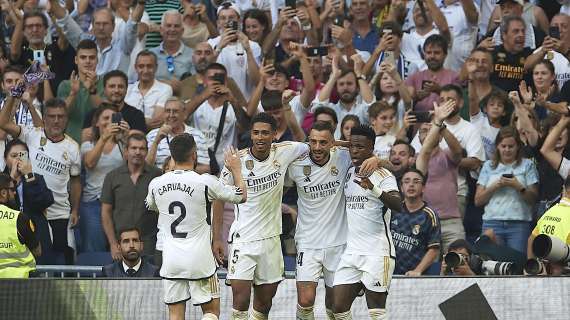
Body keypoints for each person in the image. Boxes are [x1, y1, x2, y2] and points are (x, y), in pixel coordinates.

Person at [217, 113, 309, 320]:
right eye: (256, 132)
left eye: (265, 133)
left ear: (274, 135)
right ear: (251, 134)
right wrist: (216, 238)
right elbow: (217, 198)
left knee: (264, 303)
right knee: (240, 302)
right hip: (243, 240)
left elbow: (317, 145)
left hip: (271, 241)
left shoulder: (285, 151)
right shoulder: (235, 161)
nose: (260, 137)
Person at [146, 133, 247, 320]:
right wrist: (237, 170)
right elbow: (241, 196)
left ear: (172, 155)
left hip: (171, 259)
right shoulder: (205, 181)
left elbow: (152, 206)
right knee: (211, 312)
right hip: (200, 260)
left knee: (175, 315)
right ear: (194, 155)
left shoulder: (156, 184)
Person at [286, 121, 379, 319]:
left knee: (337, 304)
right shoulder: (296, 165)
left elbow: (364, 151)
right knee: (305, 300)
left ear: (332, 143)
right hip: (307, 243)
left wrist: (376, 159)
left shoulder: (343, 157)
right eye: (313, 142)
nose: (317, 147)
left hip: (339, 244)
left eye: (323, 142)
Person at [332, 124, 401, 320]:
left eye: (360, 147)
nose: (354, 151)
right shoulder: (349, 170)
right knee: (338, 308)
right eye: (352, 146)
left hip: (377, 253)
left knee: (376, 312)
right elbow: (335, 144)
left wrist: (373, 188)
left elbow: (398, 204)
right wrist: (350, 143)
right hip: (352, 252)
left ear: (372, 148)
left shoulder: (383, 175)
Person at [0, 96, 81, 265]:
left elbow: (75, 181)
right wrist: (14, 96)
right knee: (36, 260)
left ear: (66, 119)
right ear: (44, 118)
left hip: (59, 213)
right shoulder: (31, 134)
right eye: (52, 116)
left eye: (60, 116)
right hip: (34, 212)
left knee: (64, 262)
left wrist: (75, 210)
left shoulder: (73, 147)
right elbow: (3, 123)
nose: (56, 121)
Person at [475, 127, 539, 254]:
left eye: (511, 146)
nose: (507, 150)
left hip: (519, 224)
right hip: (492, 222)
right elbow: (478, 200)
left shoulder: (528, 165)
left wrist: (518, 186)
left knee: (517, 265)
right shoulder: (488, 166)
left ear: (518, 147)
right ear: (497, 146)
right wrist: (495, 186)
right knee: (491, 265)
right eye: (503, 146)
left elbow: (534, 199)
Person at [101, 133, 162, 260]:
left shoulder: (157, 176)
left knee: (148, 279)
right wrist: (113, 244)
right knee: (120, 280)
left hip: (149, 243)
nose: (138, 152)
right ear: (126, 151)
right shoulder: (112, 177)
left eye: (142, 148)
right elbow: (105, 213)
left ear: (146, 152)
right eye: (134, 148)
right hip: (120, 242)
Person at [415, 101, 465, 252]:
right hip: (425, 221)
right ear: (418, 138)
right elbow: (425, 152)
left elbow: (458, 152)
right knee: (428, 270)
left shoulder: (447, 155)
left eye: (432, 130)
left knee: (459, 263)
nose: (430, 132)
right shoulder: (415, 159)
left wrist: (441, 126)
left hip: (451, 221)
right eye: (424, 130)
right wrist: (436, 123)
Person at [49, 0, 145, 75]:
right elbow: (65, 21)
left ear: (113, 26)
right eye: (98, 24)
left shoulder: (123, 46)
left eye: (105, 24)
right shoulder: (84, 43)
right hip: (90, 96)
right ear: (93, 26)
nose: (101, 27)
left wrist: (141, 3)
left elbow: (132, 24)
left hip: (116, 95)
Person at [81, 104, 128, 252]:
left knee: (121, 248)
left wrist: (126, 138)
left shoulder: (122, 145)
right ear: (97, 122)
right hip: (93, 202)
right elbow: (89, 163)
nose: (109, 121)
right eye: (105, 118)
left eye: (113, 118)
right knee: (94, 247)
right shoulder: (88, 144)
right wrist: (104, 138)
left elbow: (134, 166)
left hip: (119, 202)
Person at [3, 140, 53, 265]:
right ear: (5, 159)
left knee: (41, 278)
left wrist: (29, 176)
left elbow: (44, 202)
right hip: (10, 236)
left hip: (37, 235)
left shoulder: (36, 178)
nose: (18, 160)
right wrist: (11, 181)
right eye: (13, 156)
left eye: (22, 156)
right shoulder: (1, 181)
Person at [391, 168, 441, 276]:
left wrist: (418, 271)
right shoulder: (393, 210)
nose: (411, 185)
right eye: (407, 181)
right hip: (389, 273)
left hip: (416, 276)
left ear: (423, 188)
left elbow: (434, 249)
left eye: (416, 181)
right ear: (401, 188)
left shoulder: (429, 215)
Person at [208, 3, 261, 99]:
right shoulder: (210, 44)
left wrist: (248, 51)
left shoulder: (253, 46)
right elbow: (204, 74)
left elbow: (257, 81)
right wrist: (219, 48)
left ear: (239, 20)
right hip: (219, 102)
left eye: (231, 17)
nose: (227, 21)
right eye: (223, 18)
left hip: (246, 104)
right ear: (218, 22)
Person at [313, 55, 374, 137]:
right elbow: (317, 107)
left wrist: (359, 74)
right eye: (341, 84)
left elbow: (372, 107)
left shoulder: (362, 110)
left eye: (349, 83)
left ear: (357, 87)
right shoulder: (331, 110)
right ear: (336, 88)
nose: (345, 87)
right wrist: (334, 77)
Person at [56, 39, 104, 143]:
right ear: (76, 60)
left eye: (92, 57)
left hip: (98, 143)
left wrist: (92, 89)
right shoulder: (65, 85)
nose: (87, 61)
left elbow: (104, 113)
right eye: (83, 57)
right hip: (69, 143)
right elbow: (60, 115)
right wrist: (73, 93)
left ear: (97, 60)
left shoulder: (105, 83)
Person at [81, 70, 147, 142]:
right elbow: (85, 145)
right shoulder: (92, 114)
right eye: (112, 86)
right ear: (104, 89)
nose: (116, 90)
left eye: (120, 86)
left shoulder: (137, 115)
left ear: (126, 89)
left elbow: (139, 146)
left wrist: (127, 134)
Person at [146, 98, 209, 171]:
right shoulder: (152, 135)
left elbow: (206, 169)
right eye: (168, 111)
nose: (171, 115)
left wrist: (177, 171)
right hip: (159, 180)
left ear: (184, 114)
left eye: (175, 111)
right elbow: (146, 168)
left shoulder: (197, 136)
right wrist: (156, 141)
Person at [405, 34, 461, 112]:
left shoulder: (454, 77)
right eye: (428, 52)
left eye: (437, 53)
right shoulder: (413, 78)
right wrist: (417, 97)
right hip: (419, 122)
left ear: (445, 55)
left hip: (446, 122)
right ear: (424, 55)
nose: (432, 56)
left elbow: (457, 105)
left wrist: (439, 90)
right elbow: (405, 106)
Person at [0, 173, 40, 278]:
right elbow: (37, 251)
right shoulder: (19, 218)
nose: (14, 193)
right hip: (20, 285)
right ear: (3, 193)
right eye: (12, 190)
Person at [124, 50, 173, 130]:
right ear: (135, 68)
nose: (145, 70)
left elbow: (156, 122)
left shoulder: (165, 89)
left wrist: (129, 120)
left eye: (149, 66)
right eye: (141, 66)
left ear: (156, 67)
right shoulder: (127, 89)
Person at [149, 10, 195, 93]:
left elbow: (194, 85)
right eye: (168, 25)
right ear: (161, 30)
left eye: (176, 26)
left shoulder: (193, 55)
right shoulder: (150, 55)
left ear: (182, 31)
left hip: (183, 101)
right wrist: (167, 85)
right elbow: (143, 82)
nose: (172, 29)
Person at [527, 175, 570, 259]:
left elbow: (531, 239)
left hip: (545, 267)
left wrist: (532, 267)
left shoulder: (550, 212)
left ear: (563, 189)